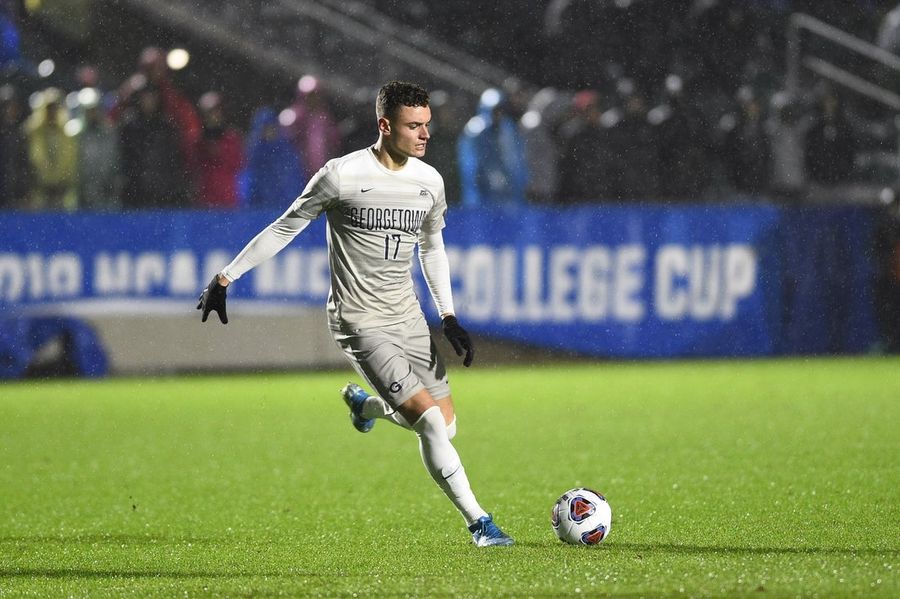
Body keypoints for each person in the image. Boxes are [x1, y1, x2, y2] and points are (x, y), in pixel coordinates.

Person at [197, 81, 514, 547]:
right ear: (385, 125)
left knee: (446, 427)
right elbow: (286, 226)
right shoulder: (341, 175)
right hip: (359, 319)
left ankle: (365, 406)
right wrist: (226, 277)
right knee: (428, 424)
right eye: (413, 126)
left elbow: (432, 246)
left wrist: (448, 316)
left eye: (427, 126)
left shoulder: (429, 181)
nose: (424, 135)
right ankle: (480, 523)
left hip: (407, 317)